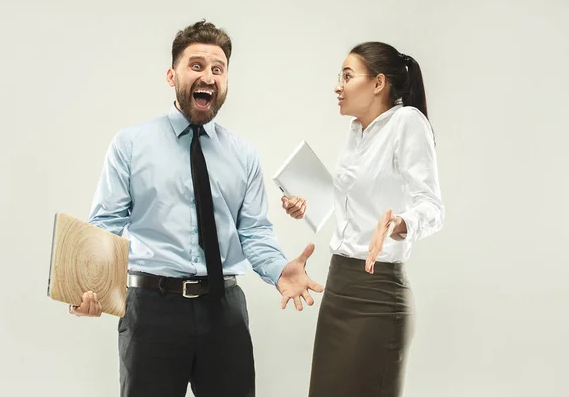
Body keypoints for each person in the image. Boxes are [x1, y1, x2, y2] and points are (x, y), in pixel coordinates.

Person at [68, 20, 324, 397]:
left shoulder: (244, 155)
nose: (208, 75)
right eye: (197, 65)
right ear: (173, 75)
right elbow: (105, 225)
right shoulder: (130, 145)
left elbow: (253, 231)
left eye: (218, 69)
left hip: (224, 311)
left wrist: (279, 270)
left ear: (226, 81)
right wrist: (86, 287)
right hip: (151, 311)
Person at [282, 41, 445, 396]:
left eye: (346, 75)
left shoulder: (407, 123)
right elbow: (355, 202)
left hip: (377, 297)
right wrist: (306, 206)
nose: (337, 86)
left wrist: (398, 223)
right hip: (339, 288)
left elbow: (432, 207)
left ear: (378, 83)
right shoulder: (357, 130)